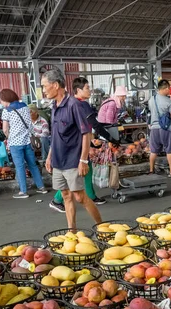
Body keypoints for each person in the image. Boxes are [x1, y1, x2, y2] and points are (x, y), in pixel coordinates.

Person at [41, 69, 103, 229]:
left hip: (73, 160)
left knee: (80, 196)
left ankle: (102, 227)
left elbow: (86, 133)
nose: (43, 90)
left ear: (55, 85)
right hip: (58, 160)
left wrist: (83, 160)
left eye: (44, 86)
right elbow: (55, 134)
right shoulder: (54, 106)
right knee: (66, 195)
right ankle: (72, 231)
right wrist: (49, 157)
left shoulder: (74, 105)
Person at [0, 89, 47, 199]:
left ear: (6, 99)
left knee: (19, 167)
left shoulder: (7, 111)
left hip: (15, 143)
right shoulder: (25, 106)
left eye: (1, 100)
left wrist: (8, 137)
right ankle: (41, 187)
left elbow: (5, 129)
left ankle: (23, 191)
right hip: (27, 141)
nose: (1, 102)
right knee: (32, 165)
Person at [148, 79, 171, 177]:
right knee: (169, 150)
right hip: (166, 128)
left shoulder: (151, 99)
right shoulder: (168, 101)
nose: (169, 90)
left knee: (153, 151)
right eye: (169, 88)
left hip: (154, 129)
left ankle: (151, 170)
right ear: (165, 88)